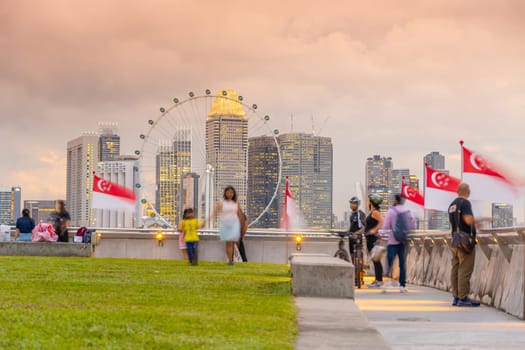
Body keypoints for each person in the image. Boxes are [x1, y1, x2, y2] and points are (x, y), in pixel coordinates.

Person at [448, 183, 480, 307]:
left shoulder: (452, 205)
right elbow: (467, 220)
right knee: (465, 269)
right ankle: (463, 297)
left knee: (455, 268)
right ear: (468, 191)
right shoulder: (465, 203)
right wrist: (482, 220)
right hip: (464, 241)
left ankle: (456, 297)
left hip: (455, 241)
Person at [382, 194, 416, 293]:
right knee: (402, 264)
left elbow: (385, 226)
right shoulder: (408, 211)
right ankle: (402, 286)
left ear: (396, 201)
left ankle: (386, 284)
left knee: (389, 263)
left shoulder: (391, 211)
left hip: (392, 241)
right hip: (403, 241)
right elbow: (413, 226)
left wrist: (381, 235)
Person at [212, 186, 242, 265]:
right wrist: (207, 221)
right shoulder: (221, 202)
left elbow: (239, 214)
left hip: (234, 224)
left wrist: (242, 225)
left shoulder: (236, 202)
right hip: (225, 224)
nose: (230, 194)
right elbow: (215, 213)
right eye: (228, 192)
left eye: (231, 192)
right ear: (225, 193)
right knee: (228, 242)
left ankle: (232, 259)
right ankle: (230, 260)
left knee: (233, 242)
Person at [365, 193, 384, 288]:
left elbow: (382, 222)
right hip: (369, 239)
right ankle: (377, 280)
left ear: (371, 202)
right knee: (374, 259)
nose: (367, 202)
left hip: (373, 239)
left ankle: (379, 281)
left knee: (376, 260)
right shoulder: (373, 212)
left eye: (368, 200)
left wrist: (374, 230)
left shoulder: (375, 212)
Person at [347, 196, 366, 265]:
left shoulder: (361, 214)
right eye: (351, 203)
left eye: (354, 203)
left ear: (357, 204)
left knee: (360, 254)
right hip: (351, 237)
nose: (352, 205)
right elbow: (351, 226)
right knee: (351, 253)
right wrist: (347, 232)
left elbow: (365, 227)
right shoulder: (351, 214)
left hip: (357, 237)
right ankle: (354, 268)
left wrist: (357, 233)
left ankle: (361, 269)